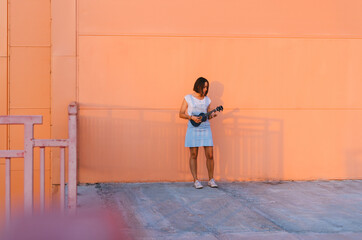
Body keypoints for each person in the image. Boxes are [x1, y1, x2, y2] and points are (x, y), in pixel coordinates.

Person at [179, 77, 218, 189]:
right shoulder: (188, 98)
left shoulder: (207, 100)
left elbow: (206, 116)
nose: (205, 89)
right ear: (198, 85)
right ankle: (196, 180)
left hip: (205, 128)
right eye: (204, 86)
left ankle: (211, 179)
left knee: (210, 155)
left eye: (207, 87)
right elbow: (181, 113)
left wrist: (212, 115)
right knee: (194, 154)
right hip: (193, 128)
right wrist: (191, 117)